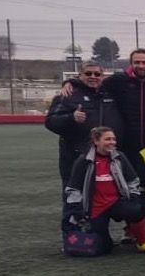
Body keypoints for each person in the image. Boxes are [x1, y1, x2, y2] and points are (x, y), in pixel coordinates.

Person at [63, 127, 145, 255]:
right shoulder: (84, 161)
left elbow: (133, 180)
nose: (112, 142)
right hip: (95, 208)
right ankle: (106, 241)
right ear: (96, 141)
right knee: (103, 249)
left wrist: (133, 197)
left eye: (113, 139)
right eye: (107, 139)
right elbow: (73, 188)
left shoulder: (119, 157)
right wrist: (77, 208)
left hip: (116, 203)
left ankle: (143, 242)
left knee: (136, 210)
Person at [46, 62, 125, 194]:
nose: (93, 76)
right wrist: (72, 118)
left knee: (103, 196)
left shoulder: (110, 94)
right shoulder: (68, 94)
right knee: (74, 195)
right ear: (80, 75)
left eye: (97, 74)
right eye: (88, 73)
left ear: (102, 76)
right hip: (76, 157)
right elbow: (50, 122)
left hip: (106, 157)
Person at [95, 48, 145, 157]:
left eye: (144, 62)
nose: (141, 66)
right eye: (137, 62)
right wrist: (70, 82)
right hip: (125, 144)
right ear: (131, 64)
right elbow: (93, 83)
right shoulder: (119, 80)